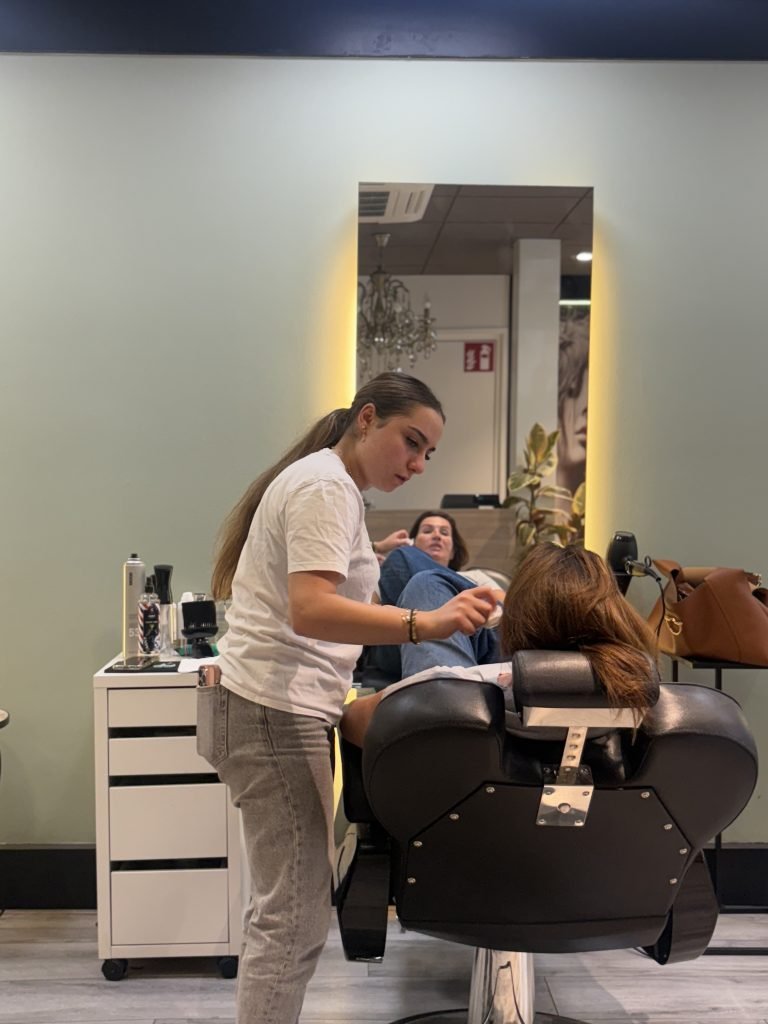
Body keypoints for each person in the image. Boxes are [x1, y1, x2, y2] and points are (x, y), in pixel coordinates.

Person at [197, 371, 498, 1024]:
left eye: (428, 454)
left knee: (286, 910)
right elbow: (310, 610)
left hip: (276, 708)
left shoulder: (334, 490)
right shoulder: (324, 487)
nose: (417, 464)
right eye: (410, 442)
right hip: (270, 712)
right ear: (366, 419)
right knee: (293, 919)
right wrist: (426, 624)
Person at [341, 543, 658, 747]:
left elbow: (351, 721)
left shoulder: (468, 687)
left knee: (421, 576)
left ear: (521, 616)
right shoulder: (642, 694)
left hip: (451, 736)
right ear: (614, 615)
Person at [366, 510, 505, 682]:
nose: (437, 536)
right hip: (397, 647)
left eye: (444, 533)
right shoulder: (391, 575)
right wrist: (376, 559)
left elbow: (502, 607)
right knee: (419, 576)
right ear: (413, 544)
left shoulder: (474, 576)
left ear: (453, 551)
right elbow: (366, 614)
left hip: (476, 640)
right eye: (427, 531)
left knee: (426, 581)